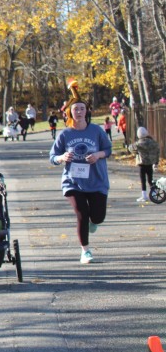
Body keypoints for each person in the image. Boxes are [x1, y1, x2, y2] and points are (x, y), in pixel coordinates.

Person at [49, 85, 111, 264]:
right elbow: (52, 157)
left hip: (97, 180)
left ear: (86, 111)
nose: (79, 112)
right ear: (69, 112)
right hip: (73, 182)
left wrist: (98, 155)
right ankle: (85, 251)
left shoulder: (96, 131)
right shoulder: (65, 134)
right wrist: (62, 157)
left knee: (98, 217)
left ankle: (94, 221)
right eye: (76, 109)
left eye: (82, 109)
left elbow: (108, 149)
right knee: (82, 214)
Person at [129, 127, 160, 203]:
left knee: (143, 180)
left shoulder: (139, 143)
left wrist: (136, 152)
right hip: (150, 163)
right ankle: (154, 193)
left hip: (142, 164)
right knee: (150, 180)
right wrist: (156, 162)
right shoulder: (153, 142)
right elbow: (157, 151)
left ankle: (144, 195)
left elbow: (130, 148)